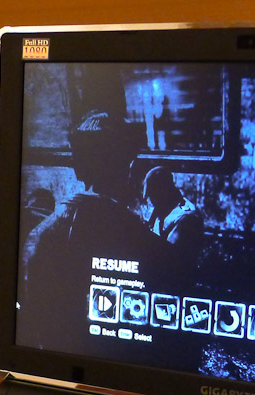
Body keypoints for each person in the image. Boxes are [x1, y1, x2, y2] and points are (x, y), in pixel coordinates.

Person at [20, 110, 168, 353]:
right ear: (124, 166)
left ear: (78, 168)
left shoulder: (40, 233)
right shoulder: (126, 229)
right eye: (128, 160)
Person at [142, 166, 204, 247]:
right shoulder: (162, 209)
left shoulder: (186, 217)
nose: (150, 202)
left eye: (152, 195)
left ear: (163, 190)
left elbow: (168, 251)